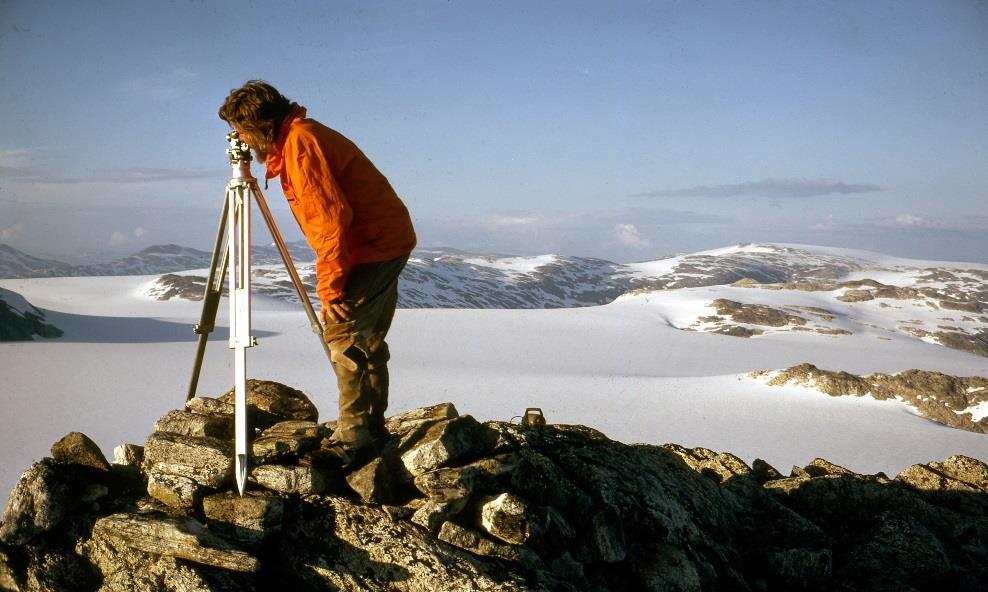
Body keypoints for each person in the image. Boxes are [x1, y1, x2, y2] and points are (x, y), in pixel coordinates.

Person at [218, 80, 416, 465]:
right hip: (384, 237)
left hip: (371, 245)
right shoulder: (298, 137)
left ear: (258, 125)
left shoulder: (301, 146)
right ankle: (371, 428)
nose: (239, 139)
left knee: (342, 332)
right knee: (368, 340)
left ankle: (354, 440)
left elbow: (331, 224)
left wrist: (331, 289)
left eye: (241, 131)